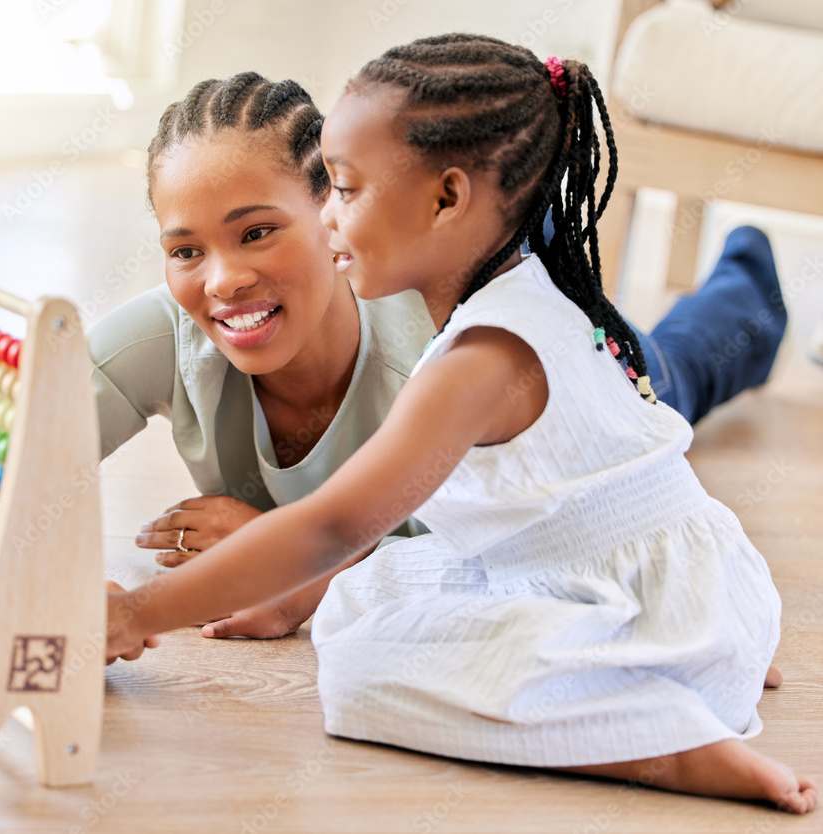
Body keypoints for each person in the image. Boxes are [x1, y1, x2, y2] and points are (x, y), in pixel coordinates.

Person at [104, 35, 815, 813]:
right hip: (632, 568)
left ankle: (666, 742)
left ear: (445, 200)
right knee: (366, 601)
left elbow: (331, 528)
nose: (329, 219)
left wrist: (138, 613)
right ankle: (691, 653)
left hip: (637, 546)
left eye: (342, 190)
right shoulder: (504, 295)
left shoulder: (473, 363)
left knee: (366, 669)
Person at [90, 73, 786, 639]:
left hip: (571, 372)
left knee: (683, 367)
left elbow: (508, 558)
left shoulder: (457, 358)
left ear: (333, 213)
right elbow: (23, 440)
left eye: (258, 232)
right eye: (186, 250)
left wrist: (285, 556)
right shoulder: (167, 333)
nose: (221, 280)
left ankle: (751, 284)